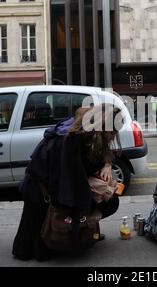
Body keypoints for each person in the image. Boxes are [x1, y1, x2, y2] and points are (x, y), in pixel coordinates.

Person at [12, 104, 123, 261]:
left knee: (36, 235)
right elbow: (70, 184)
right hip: (42, 189)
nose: (114, 136)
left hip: (45, 184)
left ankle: (76, 235)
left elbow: (96, 160)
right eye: (112, 132)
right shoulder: (73, 141)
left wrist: (107, 164)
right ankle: (72, 237)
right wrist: (92, 203)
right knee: (39, 244)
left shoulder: (85, 130)